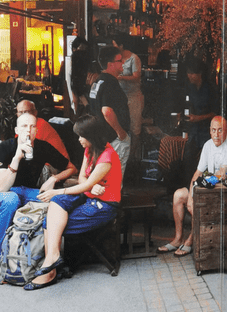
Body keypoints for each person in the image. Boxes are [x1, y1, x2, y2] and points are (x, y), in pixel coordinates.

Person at [31, 116, 123, 289]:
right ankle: (52, 261)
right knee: (57, 204)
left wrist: (59, 190)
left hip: (105, 206)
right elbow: (82, 178)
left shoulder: (107, 156)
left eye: (82, 136)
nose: (79, 139)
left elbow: (85, 184)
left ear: (92, 135)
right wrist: (91, 186)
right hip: (90, 197)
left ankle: (50, 269)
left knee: (50, 222)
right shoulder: (89, 150)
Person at [0, 112, 77, 265]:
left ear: (36, 130)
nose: (28, 130)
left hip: (27, 191)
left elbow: (71, 168)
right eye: (24, 126)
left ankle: (49, 255)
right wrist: (16, 158)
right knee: (11, 199)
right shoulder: (5, 147)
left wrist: (54, 179)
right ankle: (2, 256)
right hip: (0, 193)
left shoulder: (43, 147)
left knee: (57, 200)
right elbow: (2, 187)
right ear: (16, 130)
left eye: (32, 126)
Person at [157, 116, 227, 257]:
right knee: (179, 195)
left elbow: (222, 174)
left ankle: (190, 241)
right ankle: (178, 239)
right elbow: (198, 173)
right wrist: (192, 195)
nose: (216, 134)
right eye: (214, 130)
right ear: (210, 131)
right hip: (205, 186)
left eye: (220, 130)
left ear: (226, 131)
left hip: (219, 191)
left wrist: (196, 193)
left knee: (197, 202)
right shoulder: (208, 145)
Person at [87, 45, 130, 181]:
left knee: (102, 174)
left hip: (101, 137)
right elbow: (107, 111)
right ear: (111, 64)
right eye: (119, 60)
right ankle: (113, 201)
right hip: (113, 138)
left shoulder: (97, 81)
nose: (123, 63)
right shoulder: (110, 83)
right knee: (115, 175)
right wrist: (120, 133)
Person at [181, 57, 220, 180]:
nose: (190, 76)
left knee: (208, 161)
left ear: (200, 73)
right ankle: (190, 184)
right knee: (188, 158)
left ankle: (206, 185)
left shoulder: (211, 89)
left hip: (207, 130)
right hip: (193, 130)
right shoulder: (190, 87)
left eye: (192, 73)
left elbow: (216, 113)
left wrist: (198, 118)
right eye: (188, 72)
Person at [112, 33, 144, 167]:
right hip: (121, 97)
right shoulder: (117, 58)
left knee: (135, 127)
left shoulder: (134, 58)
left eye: (114, 44)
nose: (113, 47)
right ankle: (122, 154)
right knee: (122, 125)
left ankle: (132, 156)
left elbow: (137, 77)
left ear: (121, 45)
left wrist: (121, 78)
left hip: (133, 97)